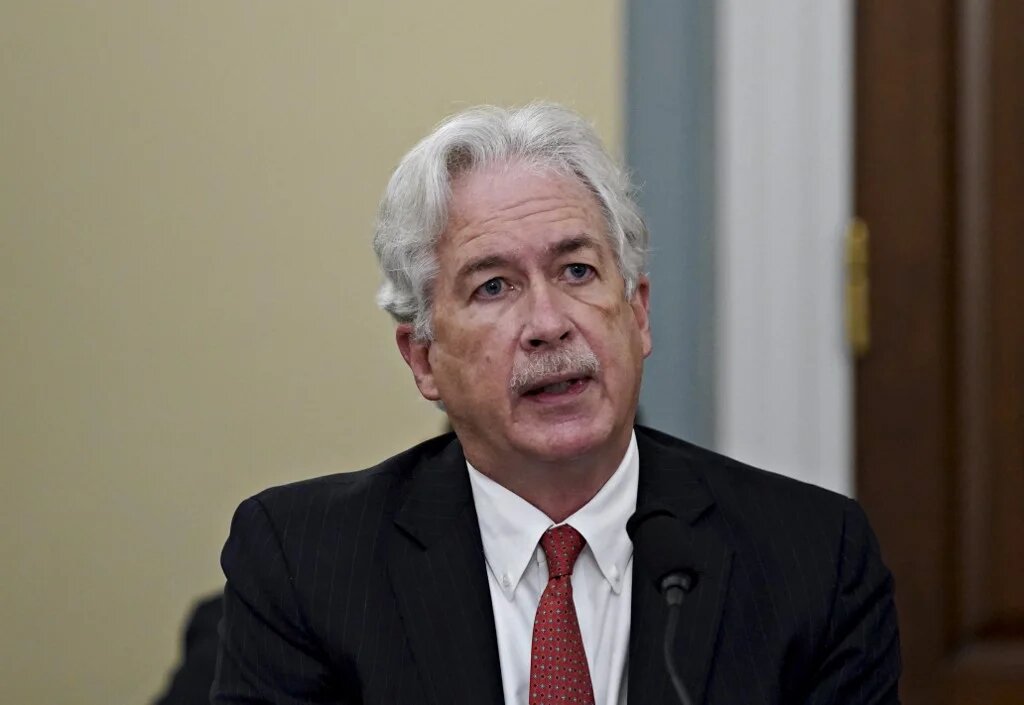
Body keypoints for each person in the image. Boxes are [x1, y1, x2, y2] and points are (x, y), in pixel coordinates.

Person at [213, 103, 900, 705]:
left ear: (638, 314)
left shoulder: (814, 559)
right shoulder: (305, 564)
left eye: (577, 271)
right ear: (424, 359)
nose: (549, 322)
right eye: (493, 287)